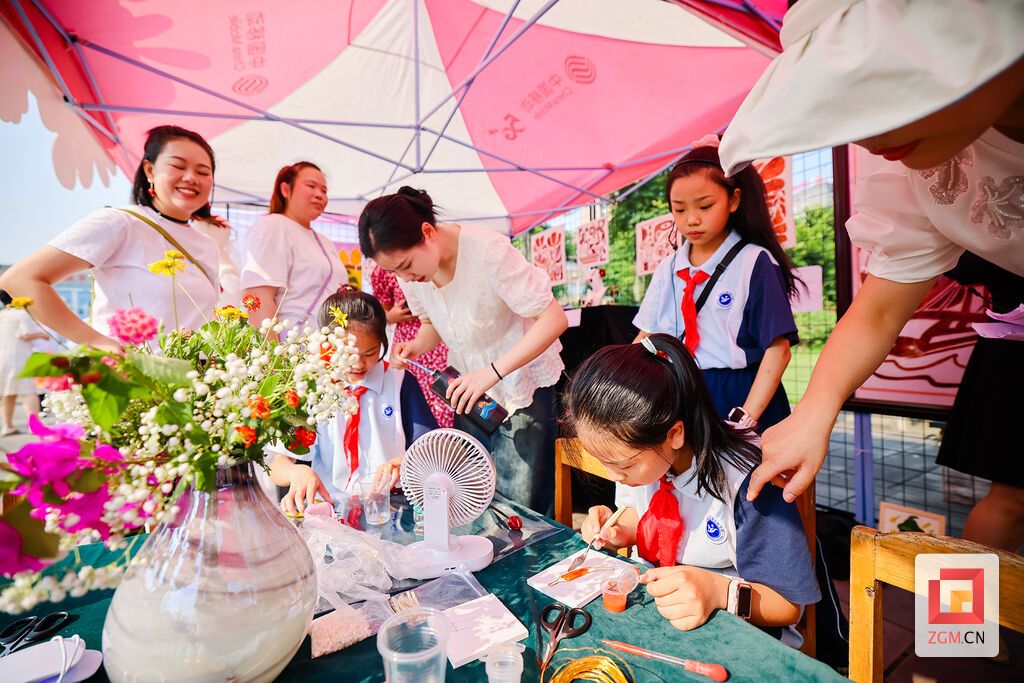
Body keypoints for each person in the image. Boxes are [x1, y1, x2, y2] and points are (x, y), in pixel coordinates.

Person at [716, 0, 1024, 517]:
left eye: (887, 84)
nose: (868, 132)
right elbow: (880, 308)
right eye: (843, 105)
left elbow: (779, 344)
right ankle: (958, 605)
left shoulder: (756, 264)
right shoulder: (922, 176)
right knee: (1003, 508)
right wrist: (816, 411)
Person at [566, 334, 819, 646]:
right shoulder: (647, 463)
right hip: (667, 617)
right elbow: (641, 515)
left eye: (624, 466)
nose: (614, 476)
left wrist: (717, 591)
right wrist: (620, 531)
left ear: (674, 434)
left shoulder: (748, 483)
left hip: (742, 637)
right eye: (604, 462)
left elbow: (788, 605)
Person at [358, 187, 568, 513]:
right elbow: (432, 326)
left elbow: (553, 319)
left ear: (427, 232)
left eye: (406, 265)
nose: (405, 278)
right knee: (472, 493)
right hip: (470, 391)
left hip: (520, 385)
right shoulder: (412, 277)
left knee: (522, 505)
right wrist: (414, 347)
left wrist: (493, 371)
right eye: (395, 272)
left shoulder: (487, 251)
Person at [0, 125, 221, 353]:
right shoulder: (120, 223)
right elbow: (19, 279)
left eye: (203, 172)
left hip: (194, 381)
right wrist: (96, 342)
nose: (191, 178)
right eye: (177, 166)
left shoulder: (207, 245)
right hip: (130, 378)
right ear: (150, 170)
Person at [633, 137, 801, 432]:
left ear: (734, 200)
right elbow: (647, 335)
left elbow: (779, 349)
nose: (692, 220)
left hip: (744, 396)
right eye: (680, 209)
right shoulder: (668, 268)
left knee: (749, 478)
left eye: (705, 206)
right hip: (683, 393)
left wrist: (746, 418)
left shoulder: (755, 262)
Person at [267, 287, 437, 515]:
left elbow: (434, 449)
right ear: (327, 344)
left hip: (391, 508)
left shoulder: (399, 382)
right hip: (331, 511)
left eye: (370, 353)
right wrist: (295, 472)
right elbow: (276, 465)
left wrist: (405, 462)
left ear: (382, 343)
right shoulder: (311, 387)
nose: (358, 364)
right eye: (348, 353)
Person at [241, 162, 345, 336]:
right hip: (290, 347)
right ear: (285, 190)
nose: (319, 195)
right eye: (311, 186)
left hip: (327, 348)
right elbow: (258, 295)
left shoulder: (325, 241)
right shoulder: (273, 226)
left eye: (324, 191)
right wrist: (272, 356)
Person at [371, 266, 453, 429]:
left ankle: (450, 443)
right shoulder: (383, 272)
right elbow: (381, 312)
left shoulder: (430, 265)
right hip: (410, 340)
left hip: (437, 342)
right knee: (416, 400)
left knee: (445, 398)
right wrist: (390, 316)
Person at [0, 305, 48, 435]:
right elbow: (25, 334)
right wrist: (41, 335)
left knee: (7, 393)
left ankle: (7, 426)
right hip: (19, 355)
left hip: (3, 356)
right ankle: (33, 425)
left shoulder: (2, 314)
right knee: (28, 391)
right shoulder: (22, 314)